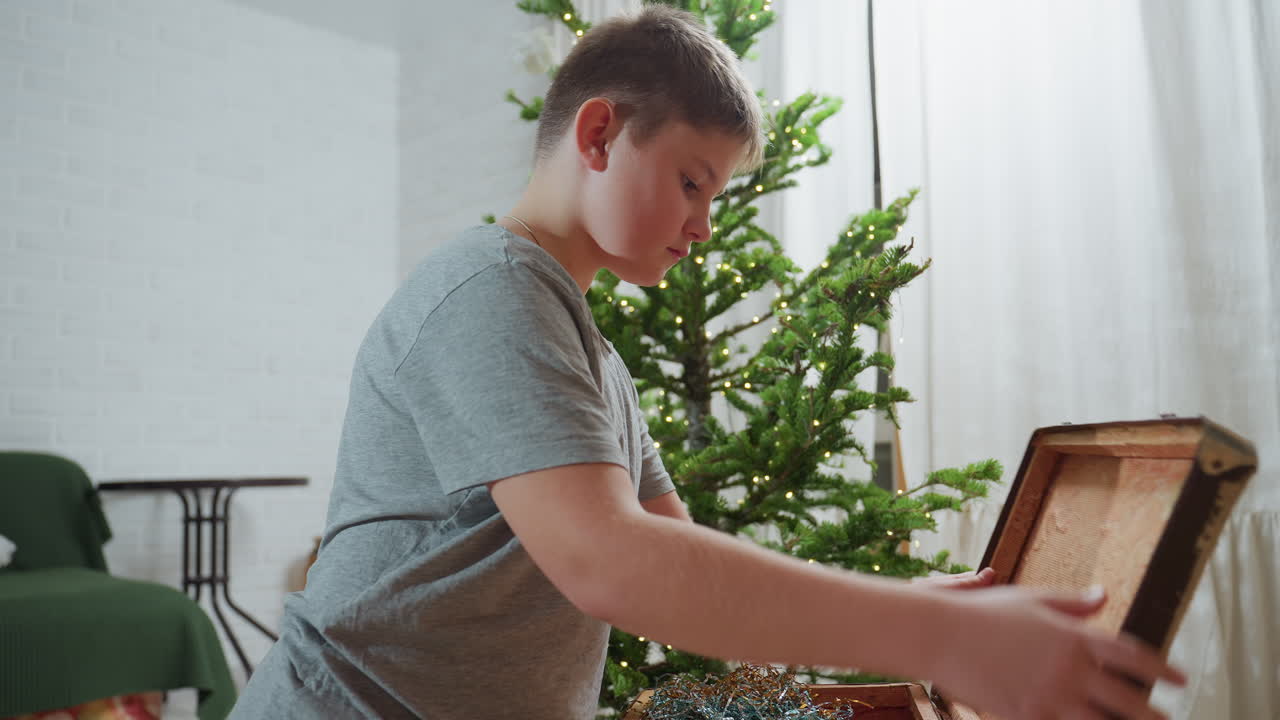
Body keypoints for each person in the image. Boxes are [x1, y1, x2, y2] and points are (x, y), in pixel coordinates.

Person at [229, 6, 1185, 719]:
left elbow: (680, 573)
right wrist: (943, 635)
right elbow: (612, 564)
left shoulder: (595, 358)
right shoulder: (486, 286)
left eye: (718, 194)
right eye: (693, 181)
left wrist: (903, 608)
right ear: (599, 133)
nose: (705, 224)